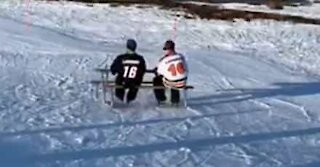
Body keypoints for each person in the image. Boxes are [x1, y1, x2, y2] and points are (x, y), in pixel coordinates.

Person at [110, 39, 146, 104]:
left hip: (122, 81)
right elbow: (142, 70)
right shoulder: (140, 59)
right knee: (135, 84)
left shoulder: (121, 58)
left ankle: (120, 99)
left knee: (119, 84)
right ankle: (130, 100)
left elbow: (113, 70)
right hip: (134, 82)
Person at [153, 40, 188, 105]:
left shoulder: (165, 60)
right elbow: (186, 67)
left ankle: (161, 98)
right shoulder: (181, 56)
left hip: (172, 83)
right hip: (183, 83)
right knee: (175, 77)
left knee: (157, 79)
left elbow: (159, 72)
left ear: (168, 49)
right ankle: (175, 100)